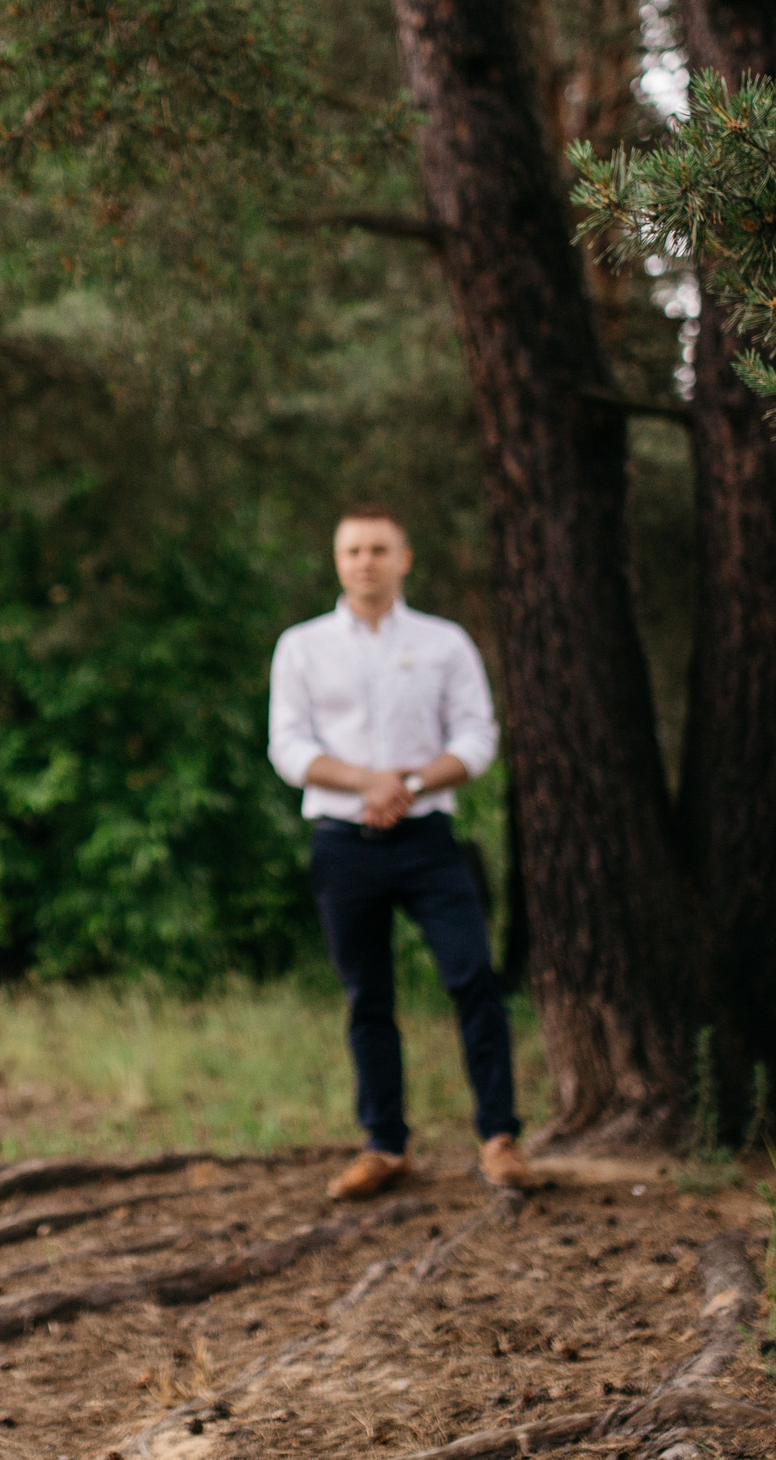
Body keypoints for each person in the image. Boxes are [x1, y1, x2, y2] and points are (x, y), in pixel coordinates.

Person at [268, 507, 538, 1199]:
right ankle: (385, 1145)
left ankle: (500, 1137)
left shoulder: (445, 643)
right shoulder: (302, 646)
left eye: (378, 549)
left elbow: (478, 738)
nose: (365, 560)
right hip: (341, 842)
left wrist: (410, 784)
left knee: (474, 976)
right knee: (368, 996)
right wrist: (368, 782)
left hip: (428, 840)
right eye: (353, 549)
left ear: (403, 558)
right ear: (337, 559)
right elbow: (288, 746)